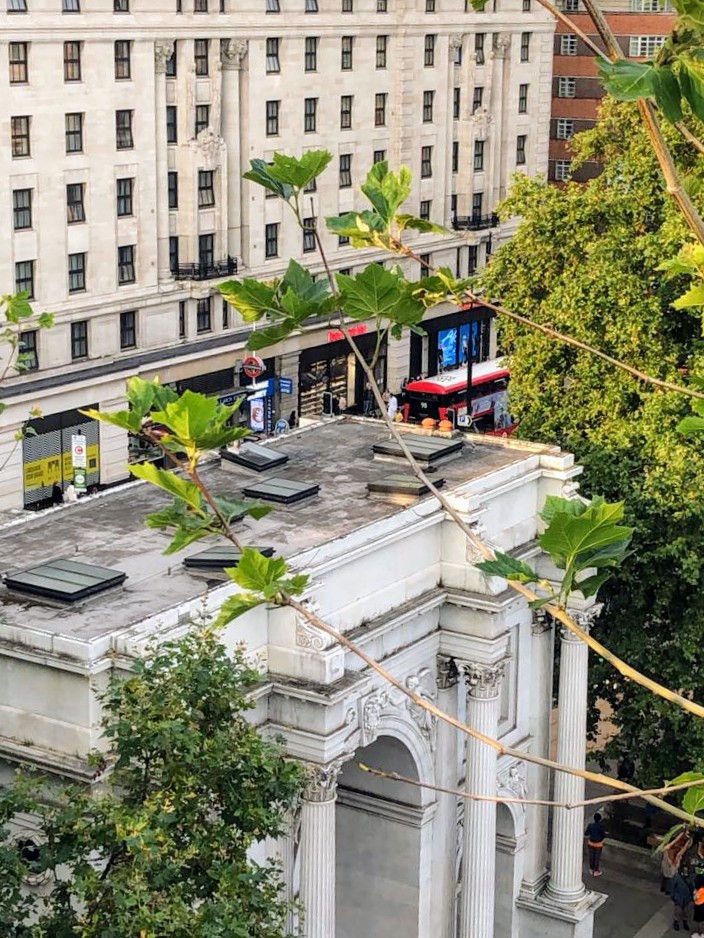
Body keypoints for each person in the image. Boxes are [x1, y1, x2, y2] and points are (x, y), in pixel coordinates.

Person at [585, 812, 606, 876]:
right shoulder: (601, 826)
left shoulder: (590, 825)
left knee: (591, 856)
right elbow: (603, 835)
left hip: (591, 843)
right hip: (598, 844)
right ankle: (595, 871)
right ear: (600, 819)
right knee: (597, 857)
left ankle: (591, 869)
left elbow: (586, 833)